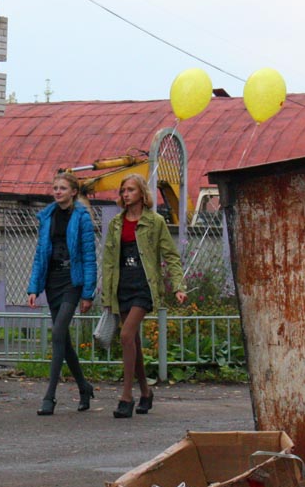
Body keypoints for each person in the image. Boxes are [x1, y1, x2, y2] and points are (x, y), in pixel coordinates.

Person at [101, 174, 187, 419]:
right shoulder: (117, 223)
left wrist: (178, 285)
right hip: (122, 285)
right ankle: (146, 392)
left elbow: (170, 255)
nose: (125, 194)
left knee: (126, 335)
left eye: (130, 190)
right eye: (123, 190)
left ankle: (126, 396)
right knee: (133, 342)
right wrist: (107, 295)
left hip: (143, 286)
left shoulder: (155, 221)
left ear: (141, 193)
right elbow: (108, 261)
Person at [26, 171, 98, 415]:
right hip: (52, 282)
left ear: (74, 192)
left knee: (58, 332)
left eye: (62, 188)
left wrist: (88, 293)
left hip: (72, 281)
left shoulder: (82, 218)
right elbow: (40, 255)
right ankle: (84, 387)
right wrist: (34, 287)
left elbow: (89, 256)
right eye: (55, 188)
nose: (57, 192)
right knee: (63, 341)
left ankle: (50, 396)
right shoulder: (47, 216)